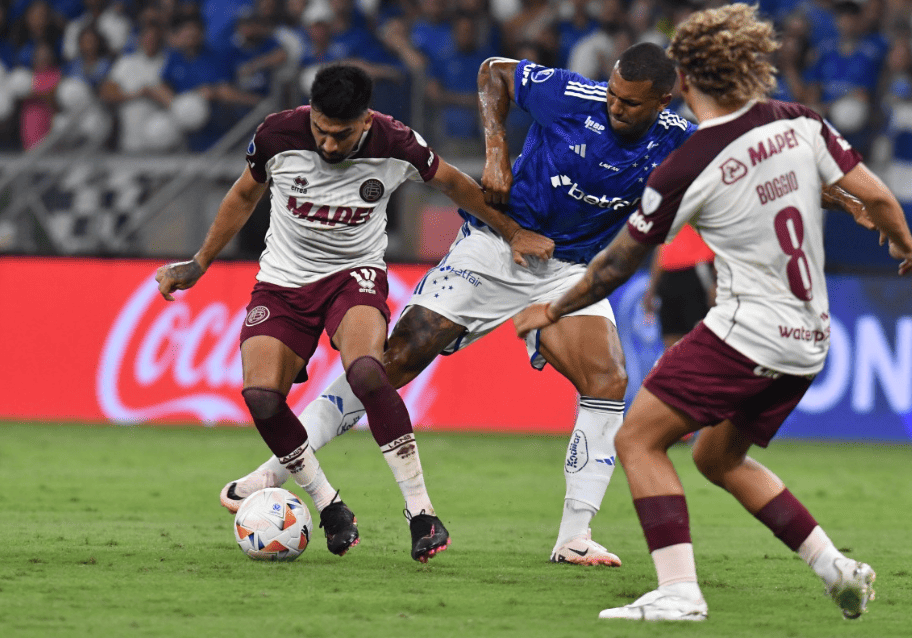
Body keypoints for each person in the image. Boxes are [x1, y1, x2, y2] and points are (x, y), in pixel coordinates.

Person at [514, 3, 912, 622]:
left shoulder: (687, 162)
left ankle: (680, 591)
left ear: (681, 82)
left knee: (638, 438)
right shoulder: (802, 122)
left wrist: (552, 308)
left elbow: (613, 267)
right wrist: (905, 245)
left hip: (748, 332)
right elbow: (876, 195)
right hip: (810, 337)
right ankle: (835, 568)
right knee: (717, 457)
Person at [223, 42, 697, 568]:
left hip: (566, 270)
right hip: (495, 247)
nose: (615, 107)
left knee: (608, 381)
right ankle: (273, 469)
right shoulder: (570, 96)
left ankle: (574, 536)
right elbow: (493, 71)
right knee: (392, 361)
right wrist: (496, 153)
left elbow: (737, 167)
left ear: (663, 101)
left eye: (630, 103)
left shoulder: (680, 142)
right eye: (612, 93)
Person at [155, 63, 553, 562]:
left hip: (354, 276)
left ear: (365, 121)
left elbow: (455, 184)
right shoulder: (278, 133)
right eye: (320, 131)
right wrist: (200, 262)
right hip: (282, 283)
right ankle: (328, 505)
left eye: (340, 135)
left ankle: (421, 513)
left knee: (367, 369)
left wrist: (514, 233)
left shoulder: (397, 142)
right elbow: (242, 194)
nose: (327, 145)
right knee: (259, 395)